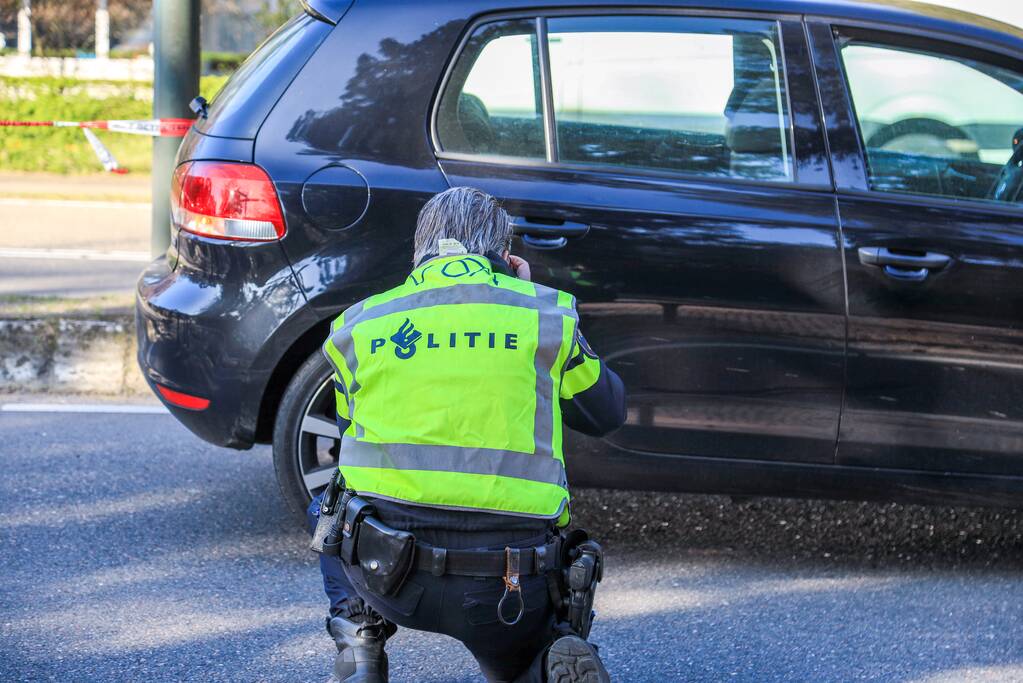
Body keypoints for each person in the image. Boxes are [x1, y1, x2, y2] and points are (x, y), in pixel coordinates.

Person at [308, 186, 626, 683]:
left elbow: (353, 437)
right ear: (504, 256)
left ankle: (359, 642)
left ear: (419, 252)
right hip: (509, 582)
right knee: (518, 652)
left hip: (386, 572)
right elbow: (606, 411)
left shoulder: (361, 324)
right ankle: (536, 664)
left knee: (329, 505)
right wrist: (524, 295)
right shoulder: (543, 316)